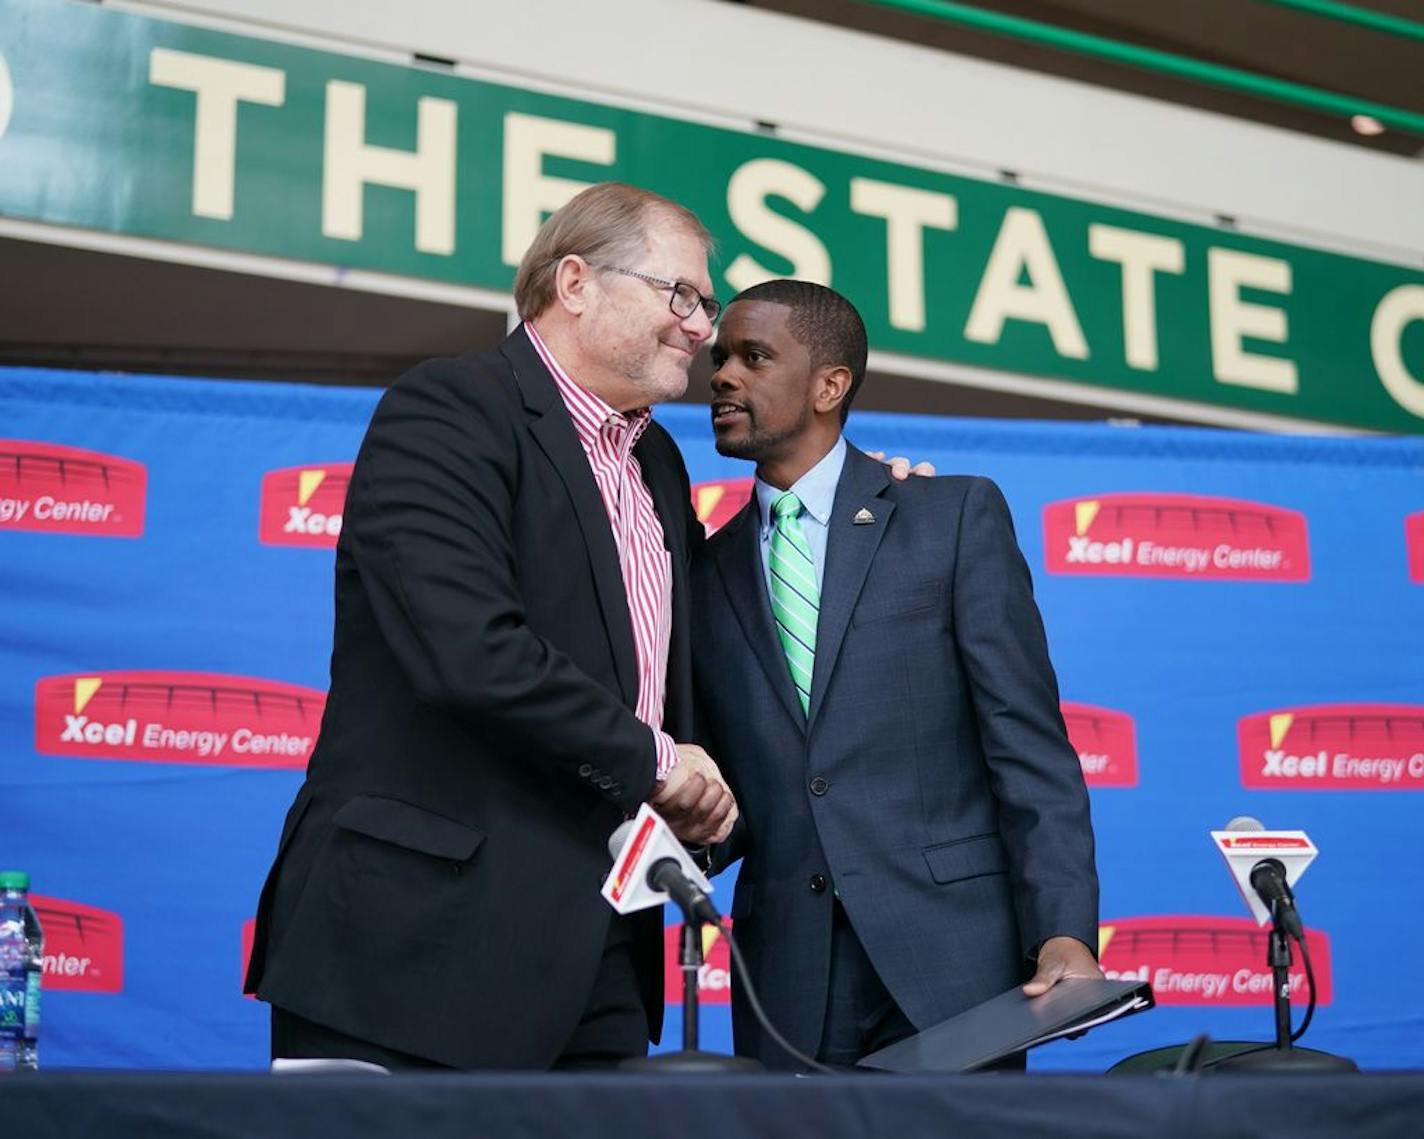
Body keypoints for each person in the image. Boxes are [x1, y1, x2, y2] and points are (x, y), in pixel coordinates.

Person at [244, 183, 740, 1070]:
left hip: (599, 959)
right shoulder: (450, 407)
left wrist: (864, 510)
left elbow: (698, 645)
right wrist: (658, 763)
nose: (702, 327)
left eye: (706, 304)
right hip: (416, 948)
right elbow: (466, 649)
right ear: (577, 282)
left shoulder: (657, 460)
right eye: (682, 295)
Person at [692, 279, 1101, 1070]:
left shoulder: (951, 517)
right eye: (719, 358)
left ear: (829, 383)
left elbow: (1028, 749)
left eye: (754, 356)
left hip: (957, 964)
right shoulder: (703, 571)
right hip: (786, 976)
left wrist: (1064, 932)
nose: (722, 376)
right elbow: (726, 792)